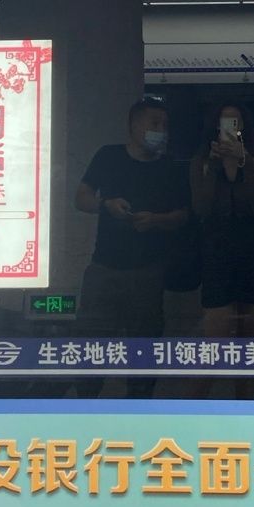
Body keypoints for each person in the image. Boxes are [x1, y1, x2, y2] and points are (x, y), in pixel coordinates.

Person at [75, 98, 188, 393]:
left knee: (143, 354)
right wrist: (106, 205)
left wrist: (156, 220)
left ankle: (139, 408)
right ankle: (84, 407)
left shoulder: (169, 167)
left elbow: (182, 216)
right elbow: (81, 198)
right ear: (133, 125)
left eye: (164, 125)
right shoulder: (108, 156)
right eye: (154, 123)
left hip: (148, 272)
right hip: (104, 269)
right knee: (91, 350)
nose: (160, 131)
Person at [190, 103, 254, 339]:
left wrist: (245, 162)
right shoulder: (202, 161)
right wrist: (213, 166)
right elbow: (201, 208)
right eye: (224, 121)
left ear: (243, 126)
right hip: (216, 247)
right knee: (216, 325)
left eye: (235, 121)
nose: (230, 126)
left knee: (251, 328)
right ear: (216, 126)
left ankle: (245, 366)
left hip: (253, 246)